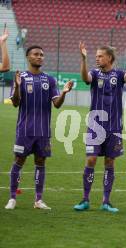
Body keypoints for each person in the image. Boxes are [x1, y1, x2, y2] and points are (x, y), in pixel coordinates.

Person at [73, 42, 126, 213]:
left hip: (114, 127)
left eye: (100, 56)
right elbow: (85, 78)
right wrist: (83, 59)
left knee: (110, 162)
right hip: (95, 126)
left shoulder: (118, 74)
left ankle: (106, 201)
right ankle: (85, 199)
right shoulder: (94, 74)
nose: (97, 59)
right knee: (91, 159)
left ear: (109, 58)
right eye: (95, 56)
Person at [5, 45, 73, 210]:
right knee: (19, 160)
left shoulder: (49, 80)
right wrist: (17, 86)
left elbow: (56, 104)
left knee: (40, 162)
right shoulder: (21, 77)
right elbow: (15, 103)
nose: (39, 57)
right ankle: (12, 198)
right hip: (25, 130)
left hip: (43, 131)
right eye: (36, 54)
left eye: (42, 55)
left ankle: (38, 200)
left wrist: (63, 93)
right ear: (28, 57)